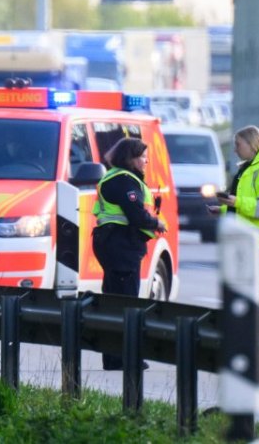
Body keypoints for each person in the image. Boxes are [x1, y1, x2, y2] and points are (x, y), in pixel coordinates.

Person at [91, 137, 168, 371]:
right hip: (120, 245)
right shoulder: (123, 182)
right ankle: (123, 357)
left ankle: (114, 357)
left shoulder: (116, 177)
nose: (146, 161)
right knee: (126, 303)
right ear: (131, 158)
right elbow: (136, 216)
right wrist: (157, 223)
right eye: (143, 156)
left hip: (114, 243)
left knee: (115, 300)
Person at [209, 126, 259, 291]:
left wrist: (236, 202)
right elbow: (246, 206)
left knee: (253, 294)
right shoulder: (247, 169)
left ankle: (258, 317)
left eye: (238, 145)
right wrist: (223, 209)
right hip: (248, 239)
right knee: (243, 293)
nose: (235, 149)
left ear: (251, 145)